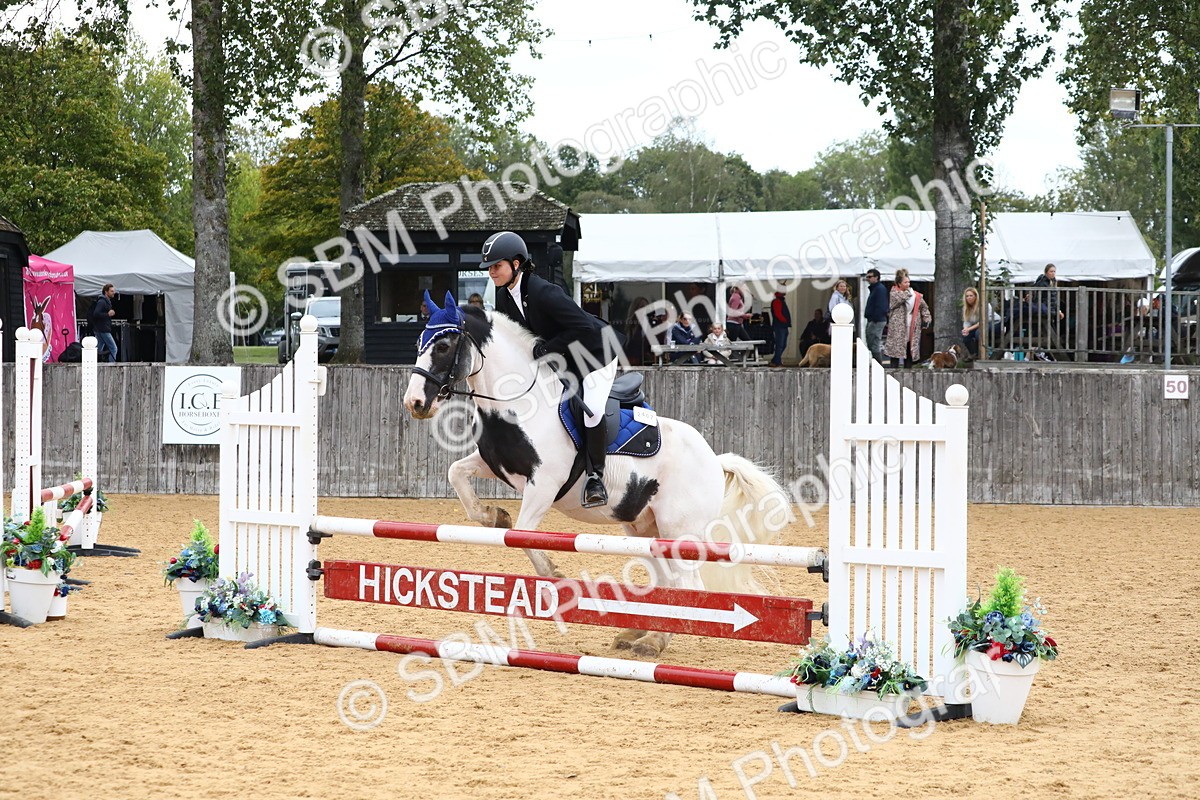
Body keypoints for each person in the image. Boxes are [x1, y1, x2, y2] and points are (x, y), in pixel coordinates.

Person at [484, 230, 614, 508]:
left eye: (497, 266)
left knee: (591, 408)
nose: (492, 272)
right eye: (490, 267)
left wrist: (548, 347)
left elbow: (584, 326)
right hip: (563, 355)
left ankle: (595, 477)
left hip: (595, 352)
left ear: (515, 264)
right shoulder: (504, 296)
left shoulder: (544, 292)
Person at [883, 269, 930, 367]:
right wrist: (908, 294)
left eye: (909, 282)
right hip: (898, 326)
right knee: (895, 349)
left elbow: (924, 307)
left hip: (912, 325)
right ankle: (893, 371)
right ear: (899, 284)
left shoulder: (916, 295)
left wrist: (927, 319)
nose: (908, 284)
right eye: (905, 282)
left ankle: (908, 369)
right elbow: (895, 303)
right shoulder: (894, 293)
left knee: (910, 348)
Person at [960, 287, 1001, 358]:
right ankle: (974, 354)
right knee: (966, 336)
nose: (969, 298)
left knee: (978, 333)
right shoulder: (966, 308)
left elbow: (983, 321)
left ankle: (984, 354)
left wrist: (969, 329)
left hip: (994, 323)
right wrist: (965, 329)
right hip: (980, 326)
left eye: (971, 295)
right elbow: (967, 321)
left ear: (976, 296)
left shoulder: (983, 305)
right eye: (967, 296)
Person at [863, 269, 888, 362]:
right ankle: (876, 364)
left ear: (876, 277)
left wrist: (875, 319)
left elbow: (881, 306)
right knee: (871, 343)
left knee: (874, 344)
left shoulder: (879, 289)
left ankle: (878, 366)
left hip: (876, 320)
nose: (867, 279)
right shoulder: (875, 289)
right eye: (867, 277)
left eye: (870, 277)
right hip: (874, 319)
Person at [91, 283, 118, 363]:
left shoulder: (105, 301)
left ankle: (94, 362)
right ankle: (111, 366)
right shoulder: (102, 302)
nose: (114, 293)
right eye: (111, 291)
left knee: (99, 347)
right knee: (113, 348)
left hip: (100, 328)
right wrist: (108, 314)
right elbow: (96, 313)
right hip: (103, 329)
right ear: (106, 292)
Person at [769, 290, 791, 367]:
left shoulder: (780, 301)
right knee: (780, 344)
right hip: (779, 326)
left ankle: (775, 360)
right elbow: (778, 313)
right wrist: (785, 321)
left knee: (782, 344)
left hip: (783, 326)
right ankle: (777, 362)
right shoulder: (777, 301)